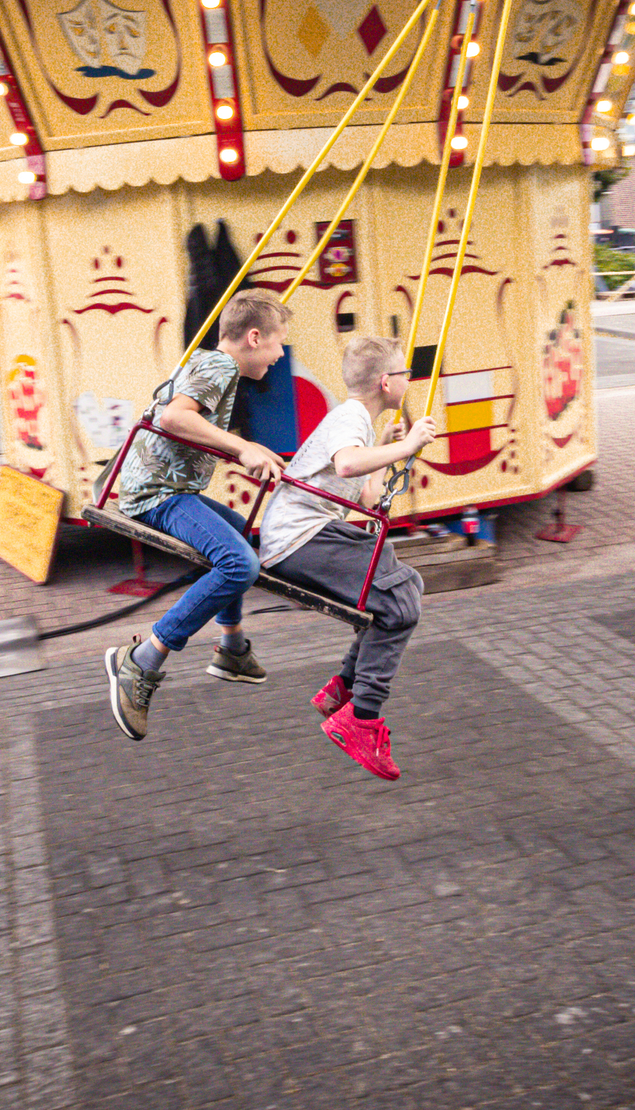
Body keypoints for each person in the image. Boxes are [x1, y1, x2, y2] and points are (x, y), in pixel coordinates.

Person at [103, 290, 289, 743]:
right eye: (278, 343)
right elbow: (173, 419)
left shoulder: (213, 364)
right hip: (158, 494)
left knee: (239, 531)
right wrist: (242, 447)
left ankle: (232, 647)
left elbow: (189, 427)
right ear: (254, 337)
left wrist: (252, 449)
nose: (281, 355)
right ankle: (142, 659)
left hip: (163, 488)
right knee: (239, 564)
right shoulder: (221, 366)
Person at [260, 336, 435, 781]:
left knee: (409, 584)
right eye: (406, 373)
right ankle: (361, 717)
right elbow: (346, 466)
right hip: (299, 537)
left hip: (301, 535)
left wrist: (385, 446)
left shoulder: (358, 423)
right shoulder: (350, 416)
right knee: (399, 603)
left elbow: (369, 495)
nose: (409, 380)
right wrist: (407, 446)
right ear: (386, 381)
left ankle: (344, 688)